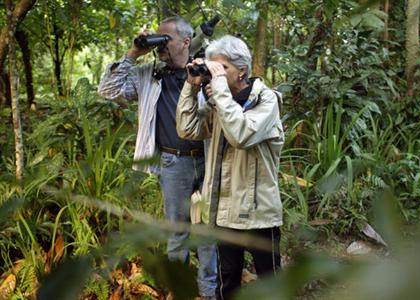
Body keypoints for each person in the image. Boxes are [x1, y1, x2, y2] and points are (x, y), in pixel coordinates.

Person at [97, 16, 217, 299]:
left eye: (167, 40)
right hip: (173, 163)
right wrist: (133, 53)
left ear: (186, 42)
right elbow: (108, 90)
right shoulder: (148, 74)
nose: (161, 46)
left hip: (210, 159)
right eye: (158, 40)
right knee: (178, 231)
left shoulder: (206, 69)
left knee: (209, 231)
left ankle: (210, 290)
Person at [176, 35, 284, 300]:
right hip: (225, 209)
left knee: (271, 282)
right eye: (212, 68)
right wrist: (191, 87)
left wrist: (220, 92)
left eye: (222, 68)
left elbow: (241, 135)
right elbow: (187, 128)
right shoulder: (219, 105)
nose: (215, 74)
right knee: (228, 282)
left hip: (259, 211)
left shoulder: (266, 101)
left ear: (242, 71)